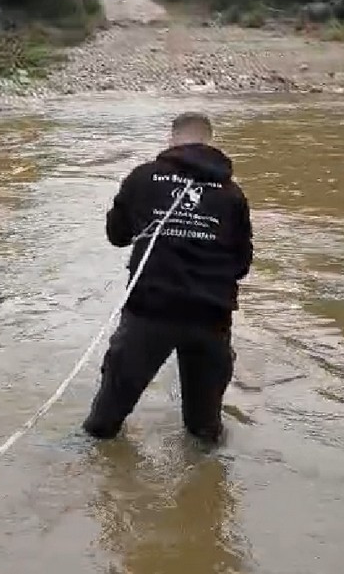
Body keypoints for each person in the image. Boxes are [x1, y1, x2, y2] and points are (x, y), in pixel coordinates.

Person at [82, 112, 253, 444]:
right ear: (210, 141)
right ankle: (208, 490)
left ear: (172, 139)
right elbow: (242, 262)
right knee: (205, 433)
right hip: (211, 316)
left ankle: (94, 479)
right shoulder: (232, 194)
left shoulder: (143, 178)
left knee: (102, 427)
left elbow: (117, 236)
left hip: (150, 311)